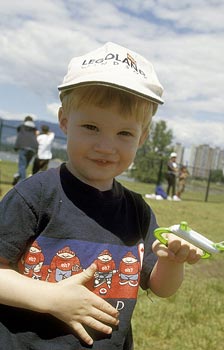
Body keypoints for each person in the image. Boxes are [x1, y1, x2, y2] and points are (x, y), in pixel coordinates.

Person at [0, 42, 202, 350]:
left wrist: (173, 261)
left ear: (142, 137)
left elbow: (161, 287)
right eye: (91, 127)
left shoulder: (138, 211)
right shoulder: (36, 194)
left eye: (124, 133)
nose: (106, 146)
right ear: (65, 121)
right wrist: (51, 298)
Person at [12, 115, 38, 184]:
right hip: (33, 148)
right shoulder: (35, 129)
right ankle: (17, 175)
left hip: (24, 147)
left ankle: (22, 182)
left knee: (22, 165)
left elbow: (19, 137)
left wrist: (16, 147)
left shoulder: (21, 127)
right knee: (24, 166)